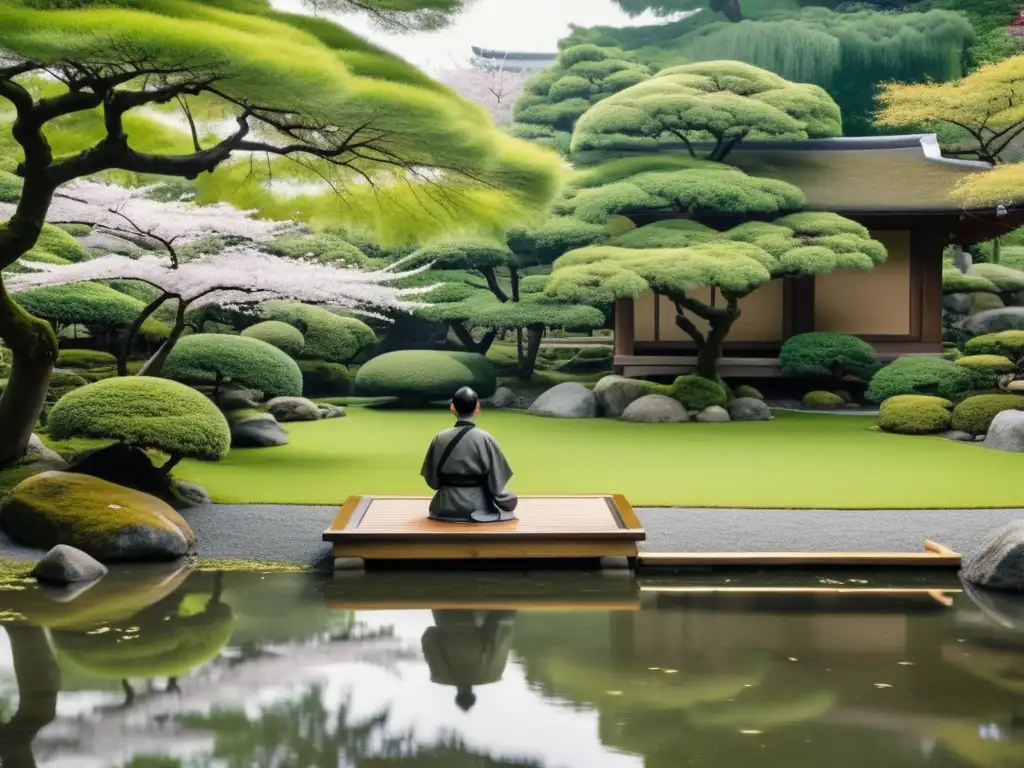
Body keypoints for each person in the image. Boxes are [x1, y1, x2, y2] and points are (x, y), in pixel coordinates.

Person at [420, 387, 518, 523]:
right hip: (478, 507)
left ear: (452, 407)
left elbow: (433, 481)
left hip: (443, 506)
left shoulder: (440, 438)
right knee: (510, 498)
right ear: (477, 408)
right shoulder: (485, 438)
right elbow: (496, 485)